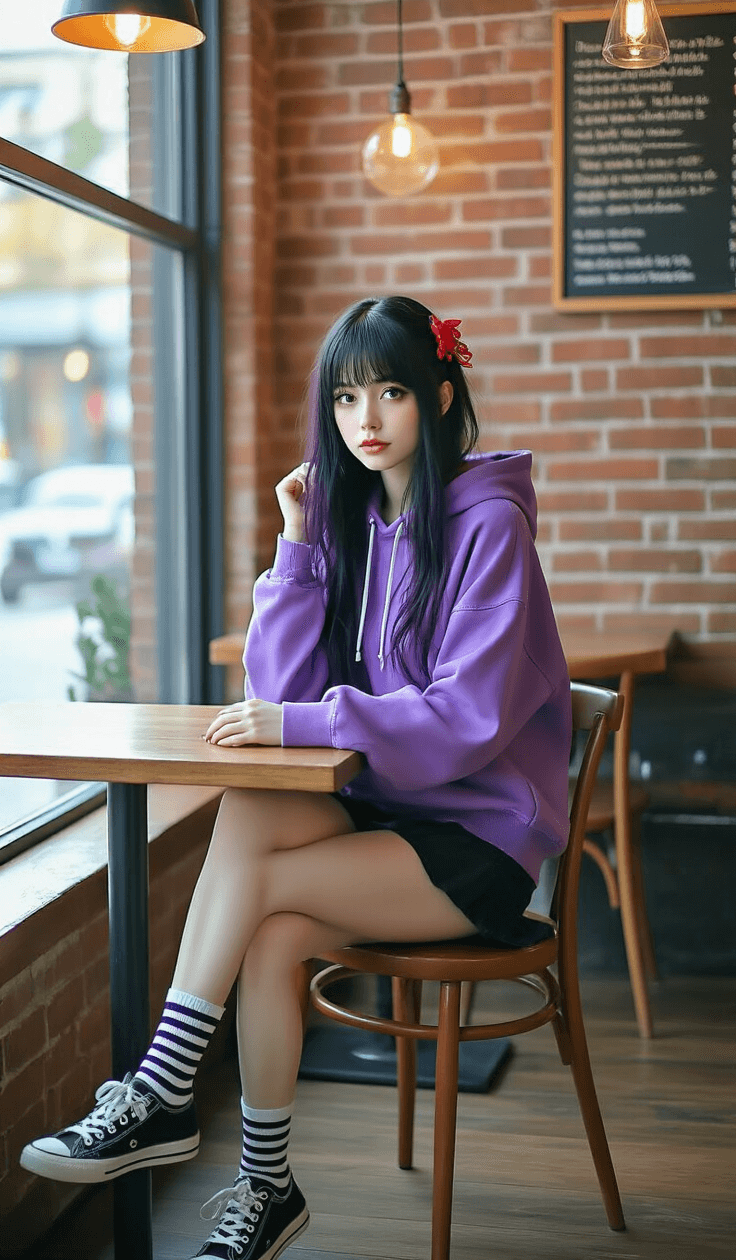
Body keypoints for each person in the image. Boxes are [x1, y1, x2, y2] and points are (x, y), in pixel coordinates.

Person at [20, 296, 572, 1260]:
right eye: (347, 397)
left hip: (479, 840)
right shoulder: (355, 522)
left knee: (261, 889)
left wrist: (307, 720)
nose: (366, 419)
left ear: (441, 396)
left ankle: (162, 1089)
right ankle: (262, 1183)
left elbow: (466, 719)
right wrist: (302, 543)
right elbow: (276, 696)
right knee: (258, 845)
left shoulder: (491, 529)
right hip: (386, 812)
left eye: (391, 392)